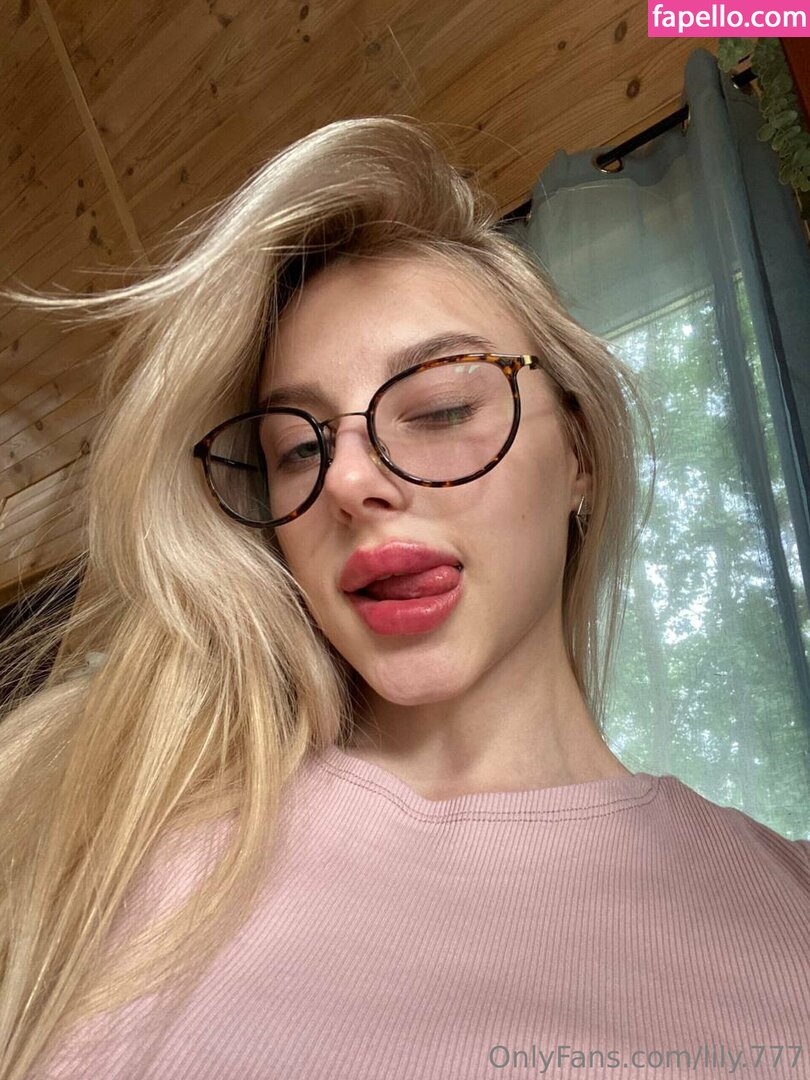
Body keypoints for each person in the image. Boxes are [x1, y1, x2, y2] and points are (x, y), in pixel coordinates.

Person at [0, 116, 807, 1080]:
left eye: (441, 408)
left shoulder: (789, 914)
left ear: (580, 453)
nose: (347, 481)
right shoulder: (112, 842)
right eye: (296, 448)